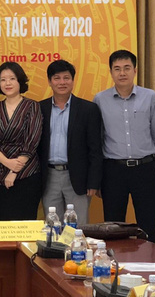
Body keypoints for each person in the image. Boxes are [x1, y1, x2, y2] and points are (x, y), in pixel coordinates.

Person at [94, 50, 155, 244]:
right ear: (111, 72)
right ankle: (115, 263)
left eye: (127, 68)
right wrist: (98, 178)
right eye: (117, 69)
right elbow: (97, 140)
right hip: (113, 171)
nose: (122, 73)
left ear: (135, 70)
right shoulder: (100, 99)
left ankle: (151, 262)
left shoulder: (150, 97)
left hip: (145, 169)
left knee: (149, 227)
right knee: (113, 228)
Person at [37, 60, 103, 224]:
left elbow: (95, 148)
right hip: (49, 177)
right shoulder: (39, 109)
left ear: (73, 81)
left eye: (66, 78)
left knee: (78, 227)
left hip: (78, 177)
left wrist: (93, 181)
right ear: (49, 81)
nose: (62, 82)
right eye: (57, 78)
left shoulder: (88, 109)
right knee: (52, 227)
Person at [0, 61, 42, 220]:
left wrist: (14, 170)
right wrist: (7, 163)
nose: (7, 83)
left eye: (12, 78)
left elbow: (32, 141)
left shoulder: (32, 106)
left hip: (27, 172)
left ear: (20, 81)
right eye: (3, 80)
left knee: (26, 223)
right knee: (4, 223)